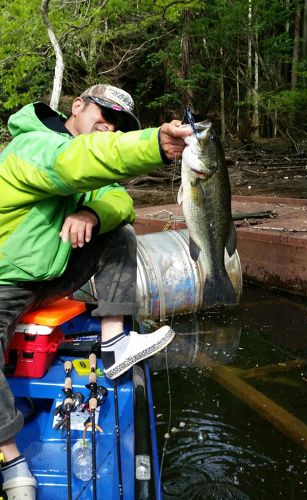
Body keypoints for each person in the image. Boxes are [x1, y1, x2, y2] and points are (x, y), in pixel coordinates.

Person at [0, 84, 193, 499]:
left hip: (48, 278)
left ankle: (115, 341)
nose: (109, 128)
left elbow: (119, 198)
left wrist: (92, 211)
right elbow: (73, 163)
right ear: (78, 106)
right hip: (5, 279)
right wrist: (152, 143)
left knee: (118, 228)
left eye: (118, 126)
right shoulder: (35, 145)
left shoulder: (89, 167)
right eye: (103, 116)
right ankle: (10, 456)